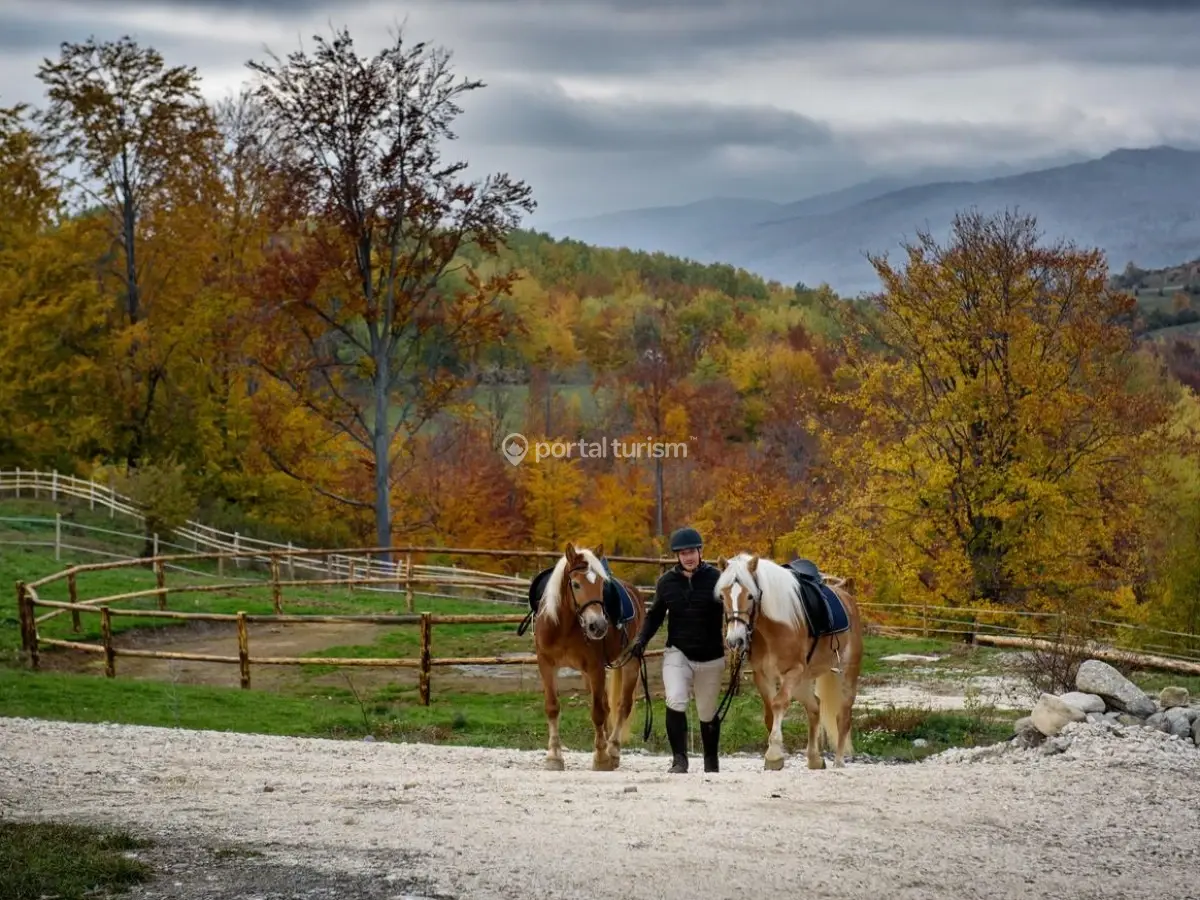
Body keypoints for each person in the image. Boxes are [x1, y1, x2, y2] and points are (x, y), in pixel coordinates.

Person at [627, 526, 725, 774]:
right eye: (683, 553)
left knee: (706, 712)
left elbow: (736, 609)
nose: (688, 557)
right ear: (677, 557)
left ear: (700, 552)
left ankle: (711, 764)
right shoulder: (666, 583)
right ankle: (679, 760)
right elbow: (655, 615)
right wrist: (641, 640)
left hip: (711, 655)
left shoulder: (717, 579)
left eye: (691, 551)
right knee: (676, 698)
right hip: (678, 652)